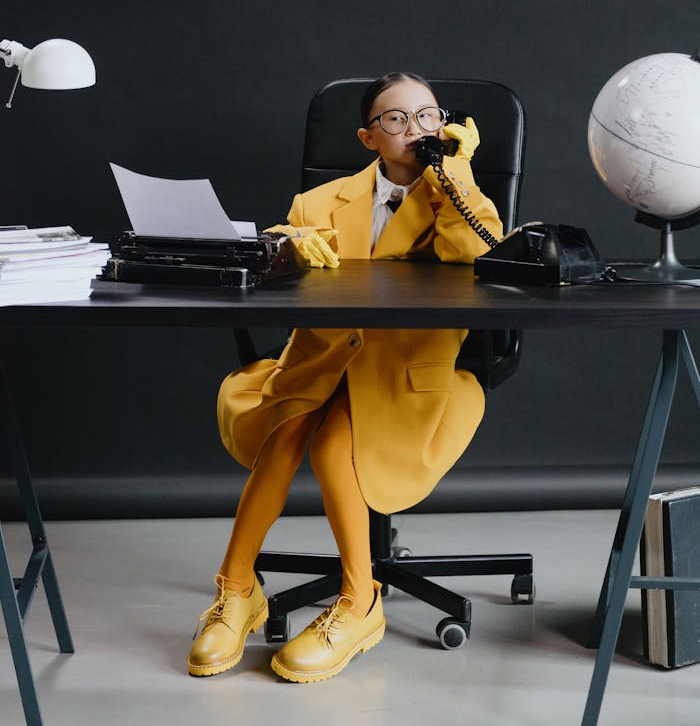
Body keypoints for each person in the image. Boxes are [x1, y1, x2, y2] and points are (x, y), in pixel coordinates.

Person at [187, 71, 502, 683]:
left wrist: (455, 174)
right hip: (322, 358)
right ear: (367, 137)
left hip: (404, 371)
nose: (415, 129)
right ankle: (236, 591)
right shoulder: (320, 200)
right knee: (285, 431)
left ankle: (360, 604)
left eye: (429, 116)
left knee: (336, 446)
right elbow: (284, 247)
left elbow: (482, 254)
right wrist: (289, 247)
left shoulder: (457, 199)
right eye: (396, 119)